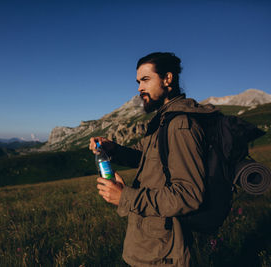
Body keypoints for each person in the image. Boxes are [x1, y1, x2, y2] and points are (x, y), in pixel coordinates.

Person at [89, 52, 217, 266]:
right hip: (150, 246)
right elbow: (145, 157)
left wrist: (125, 198)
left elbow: (189, 195)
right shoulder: (163, 121)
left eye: (146, 80)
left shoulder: (180, 125)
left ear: (168, 79)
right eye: (138, 81)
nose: (139, 88)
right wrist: (113, 149)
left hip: (164, 254)